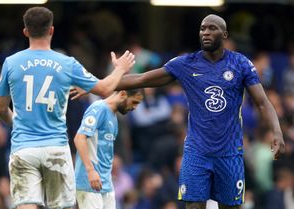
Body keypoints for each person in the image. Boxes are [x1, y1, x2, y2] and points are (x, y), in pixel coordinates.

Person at [72, 14, 285, 209]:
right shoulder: (186, 63)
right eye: (203, 29)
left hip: (229, 153)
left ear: (225, 34)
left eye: (212, 28)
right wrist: (94, 84)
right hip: (196, 152)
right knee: (193, 206)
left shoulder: (240, 63)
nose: (206, 33)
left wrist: (276, 130)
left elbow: (263, 103)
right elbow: (142, 78)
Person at [0, 6, 135, 209]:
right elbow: (105, 89)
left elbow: (0, 108)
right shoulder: (67, 63)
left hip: (24, 148)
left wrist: (16, 124)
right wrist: (120, 69)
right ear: (51, 30)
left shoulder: (11, 63)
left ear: (25, 32)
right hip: (56, 150)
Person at [74, 89, 144, 209]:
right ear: (122, 94)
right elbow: (79, 138)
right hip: (90, 183)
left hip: (106, 184)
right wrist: (90, 171)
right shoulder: (99, 108)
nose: (135, 107)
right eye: (134, 102)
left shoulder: (114, 117)